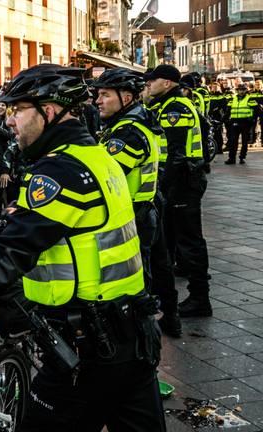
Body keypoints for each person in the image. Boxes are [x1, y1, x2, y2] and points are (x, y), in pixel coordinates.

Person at [0, 64, 166, 431]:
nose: (9, 121)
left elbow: (8, 255)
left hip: (90, 346)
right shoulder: (95, 156)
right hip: (130, 335)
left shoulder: (62, 171)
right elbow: (70, 241)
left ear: (48, 111)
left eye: (17, 110)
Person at [93, 68, 181, 338]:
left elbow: (104, 177)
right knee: (160, 266)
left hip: (134, 215)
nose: (98, 101)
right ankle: (169, 318)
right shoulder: (140, 121)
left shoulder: (128, 132)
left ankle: (140, 337)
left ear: (127, 97)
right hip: (149, 205)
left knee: (136, 279)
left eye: (105, 95)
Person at [145, 64, 212, 318]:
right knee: (173, 239)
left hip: (183, 183)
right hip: (180, 181)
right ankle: (176, 295)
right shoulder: (166, 105)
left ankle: (199, 298)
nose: (148, 85)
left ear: (167, 83)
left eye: (153, 81)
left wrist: (163, 187)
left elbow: (176, 154)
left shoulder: (175, 108)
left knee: (189, 240)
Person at [224, 85, 258, 165]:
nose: (241, 91)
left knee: (244, 141)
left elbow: (258, 111)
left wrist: (252, 119)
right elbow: (227, 112)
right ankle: (231, 159)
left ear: (246, 90)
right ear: (237, 91)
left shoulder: (250, 99)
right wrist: (222, 121)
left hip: (245, 123)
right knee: (233, 141)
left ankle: (242, 157)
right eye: (239, 90)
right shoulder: (232, 100)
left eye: (243, 90)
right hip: (234, 123)